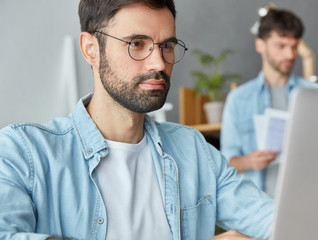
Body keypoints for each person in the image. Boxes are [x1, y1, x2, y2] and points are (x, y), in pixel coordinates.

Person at [0, 1, 274, 239]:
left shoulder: (193, 149)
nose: (158, 63)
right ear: (90, 49)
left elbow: (272, 220)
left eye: (166, 45)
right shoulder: (23, 152)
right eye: (137, 44)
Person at [221, 8, 318, 197]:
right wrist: (250, 162)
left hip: (309, 199)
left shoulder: (317, 96)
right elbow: (226, 163)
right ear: (260, 45)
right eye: (281, 46)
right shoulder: (239, 99)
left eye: (294, 47)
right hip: (259, 209)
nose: (290, 55)